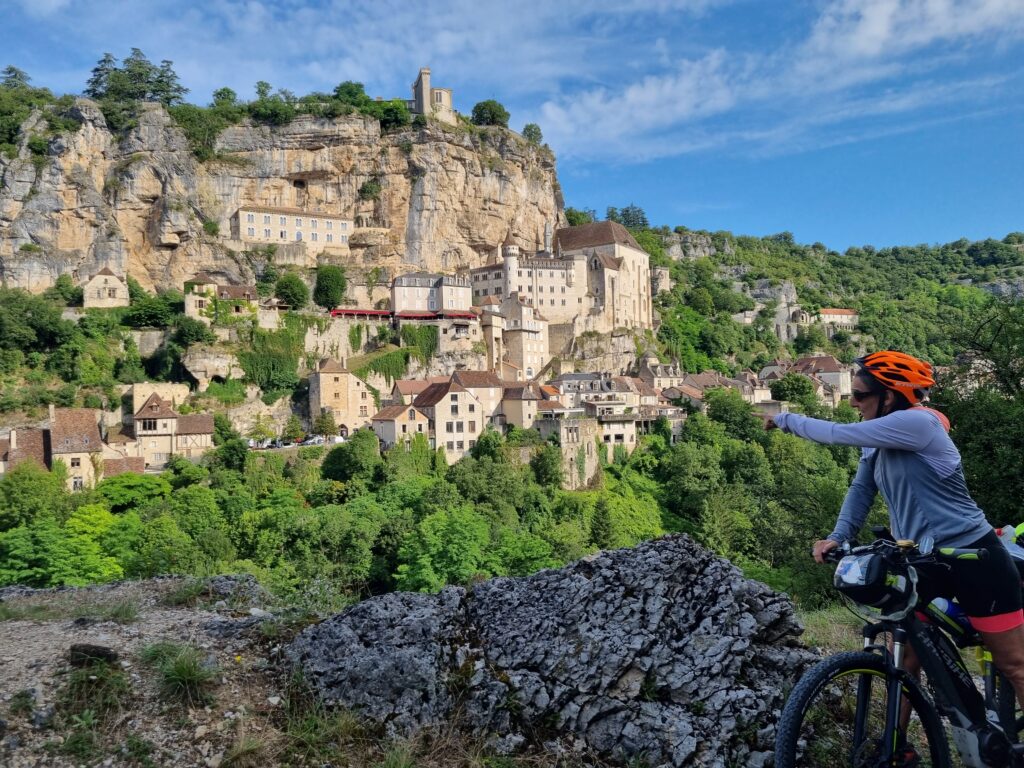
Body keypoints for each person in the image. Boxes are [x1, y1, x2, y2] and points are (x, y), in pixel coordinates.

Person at [766, 350, 1024, 706]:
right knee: (903, 658)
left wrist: (786, 419)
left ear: (890, 396)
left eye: (860, 395)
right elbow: (861, 489)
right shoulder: (880, 439)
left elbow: (838, 434)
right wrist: (838, 536)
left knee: (1015, 664)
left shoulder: (920, 424)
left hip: (972, 554)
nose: (853, 402)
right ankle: (896, 752)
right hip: (920, 560)